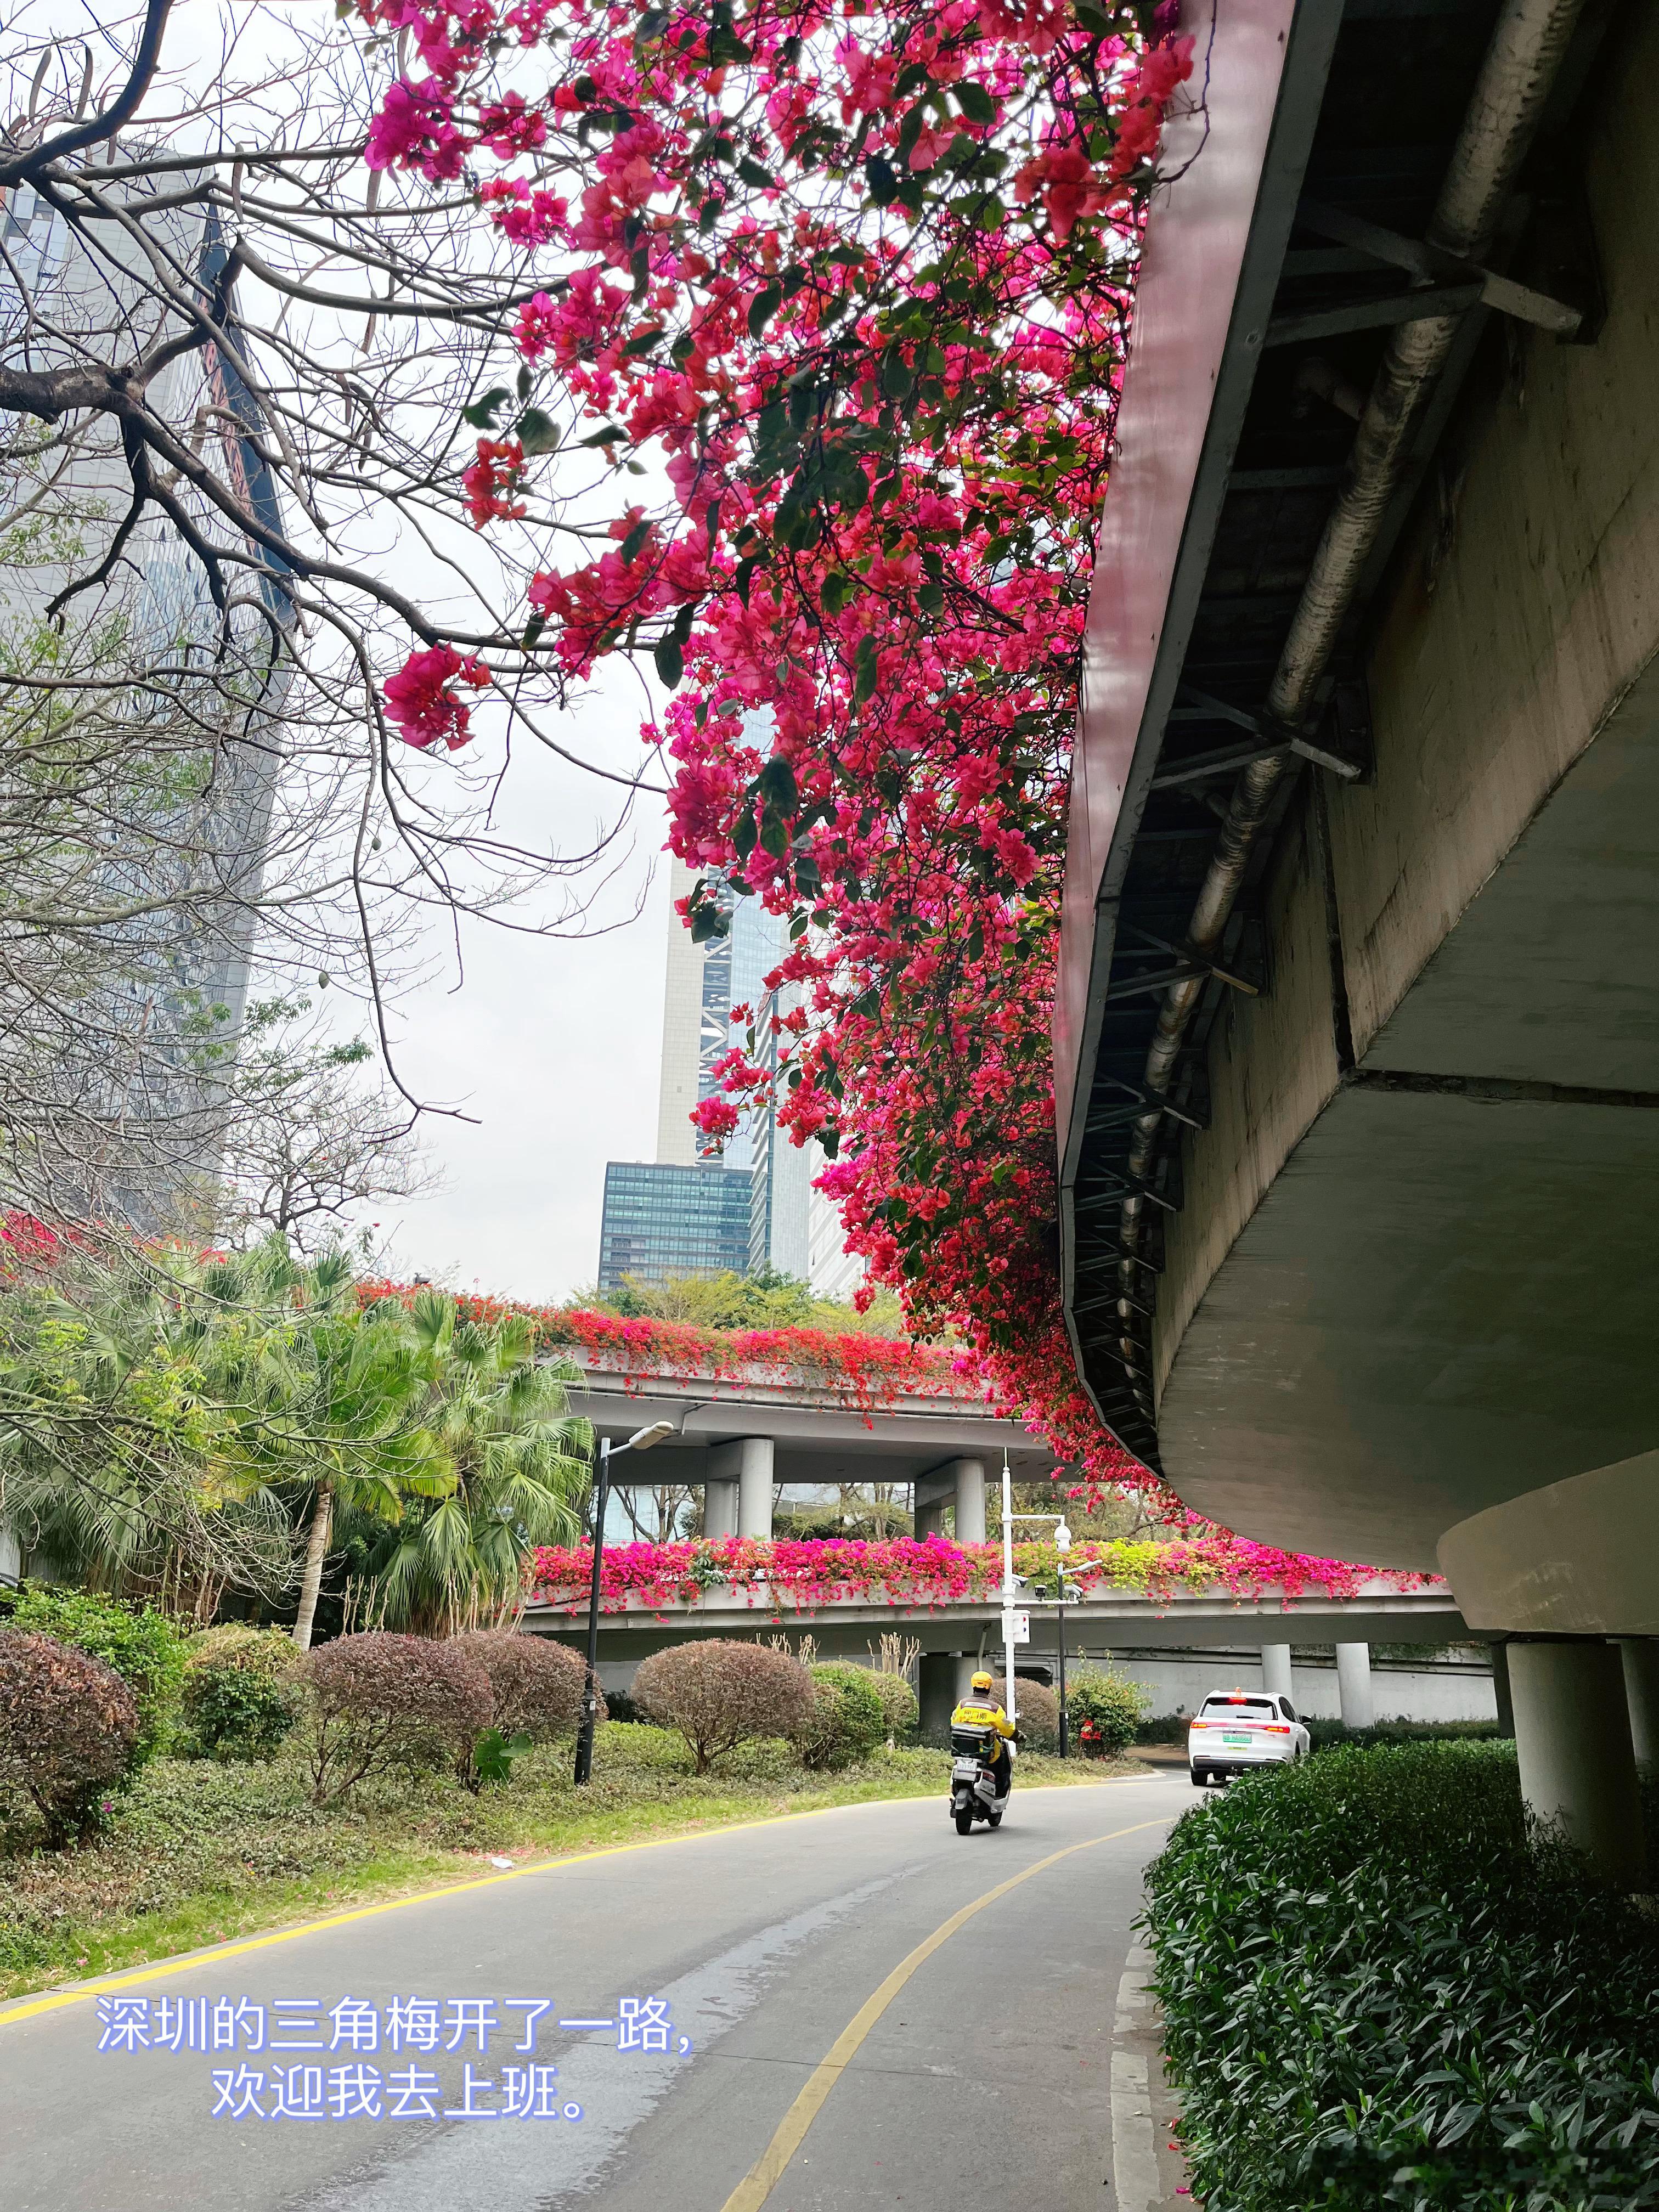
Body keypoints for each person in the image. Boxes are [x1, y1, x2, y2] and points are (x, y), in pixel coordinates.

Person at [951, 1669, 1019, 1800]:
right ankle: (999, 1792)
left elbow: (954, 1722)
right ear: (989, 1687)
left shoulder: (963, 1705)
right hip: (986, 1752)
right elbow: (1006, 1728)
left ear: (973, 1685)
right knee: (1002, 1766)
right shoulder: (995, 1709)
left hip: (962, 1751)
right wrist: (1016, 1736)